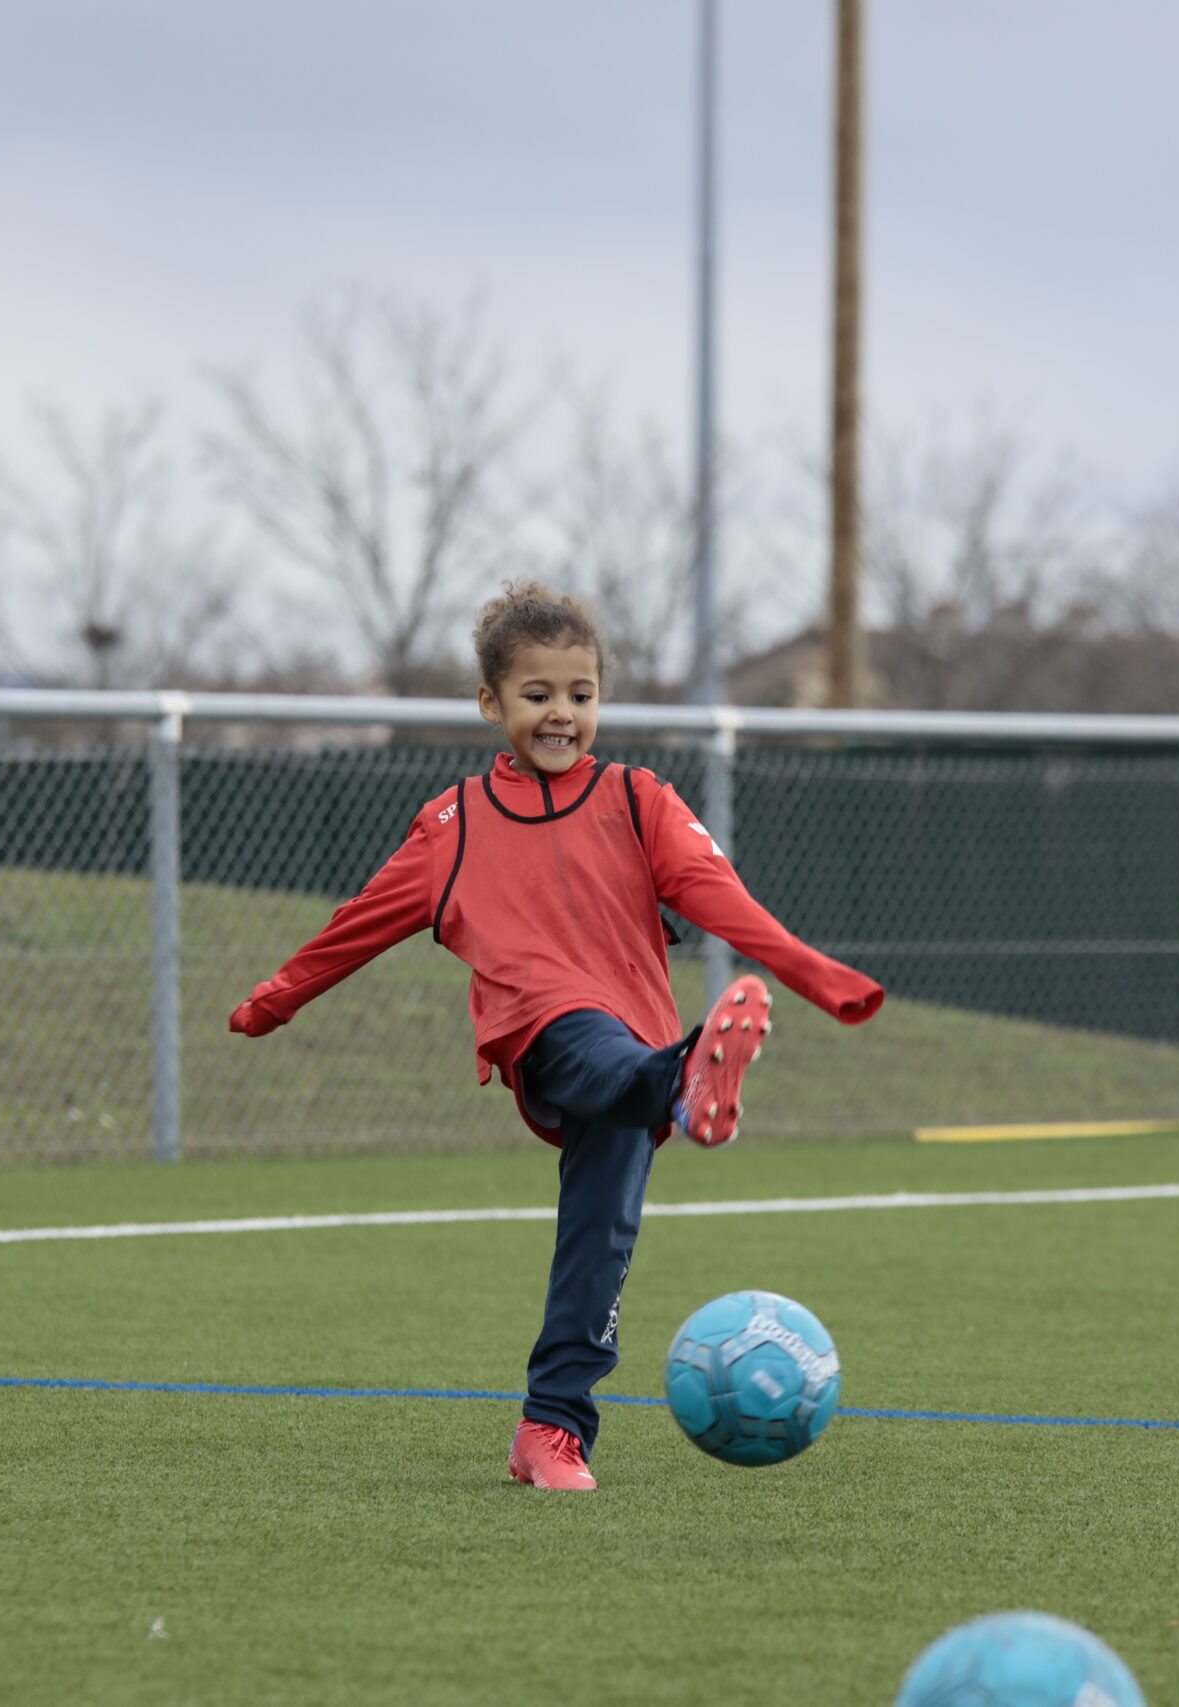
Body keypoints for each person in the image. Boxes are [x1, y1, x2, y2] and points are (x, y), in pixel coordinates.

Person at [228, 581, 884, 1490]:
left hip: (639, 1049)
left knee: (599, 1242)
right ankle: (689, 1081)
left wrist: (822, 978)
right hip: (545, 1035)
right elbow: (359, 922)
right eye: (537, 695)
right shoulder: (453, 824)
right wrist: (273, 998)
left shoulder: (638, 798)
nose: (561, 713)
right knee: (588, 1038)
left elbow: (719, 899)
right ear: (491, 703)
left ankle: (550, 1430)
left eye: (581, 693)